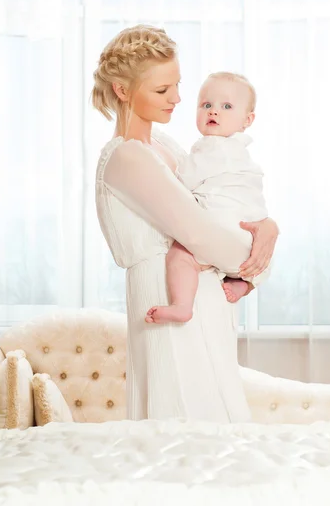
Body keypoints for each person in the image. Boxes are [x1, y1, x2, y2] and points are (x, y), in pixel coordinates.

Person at [94, 24, 278, 422]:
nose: (178, 99)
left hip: (202, 301)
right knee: (182, 425)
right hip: (167, 303)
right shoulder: (129, 156)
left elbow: (222, 204)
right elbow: (199, 234)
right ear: (124, 91)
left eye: (177, 86)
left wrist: (266, 226)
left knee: (215, 429)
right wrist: (258, 253)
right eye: (163, 90)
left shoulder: (166, 147)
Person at [146, 71, 270, 325]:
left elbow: (182, 185)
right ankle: (242, 285)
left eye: (226, 106)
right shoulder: (243, 154)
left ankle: (182, 306)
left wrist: (167, 174)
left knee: (180, 256)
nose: (214, 112)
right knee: (246, 267)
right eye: (206, 105)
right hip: (252, 240)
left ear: (247, 119)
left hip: (222, 229)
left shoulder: (209, 147)